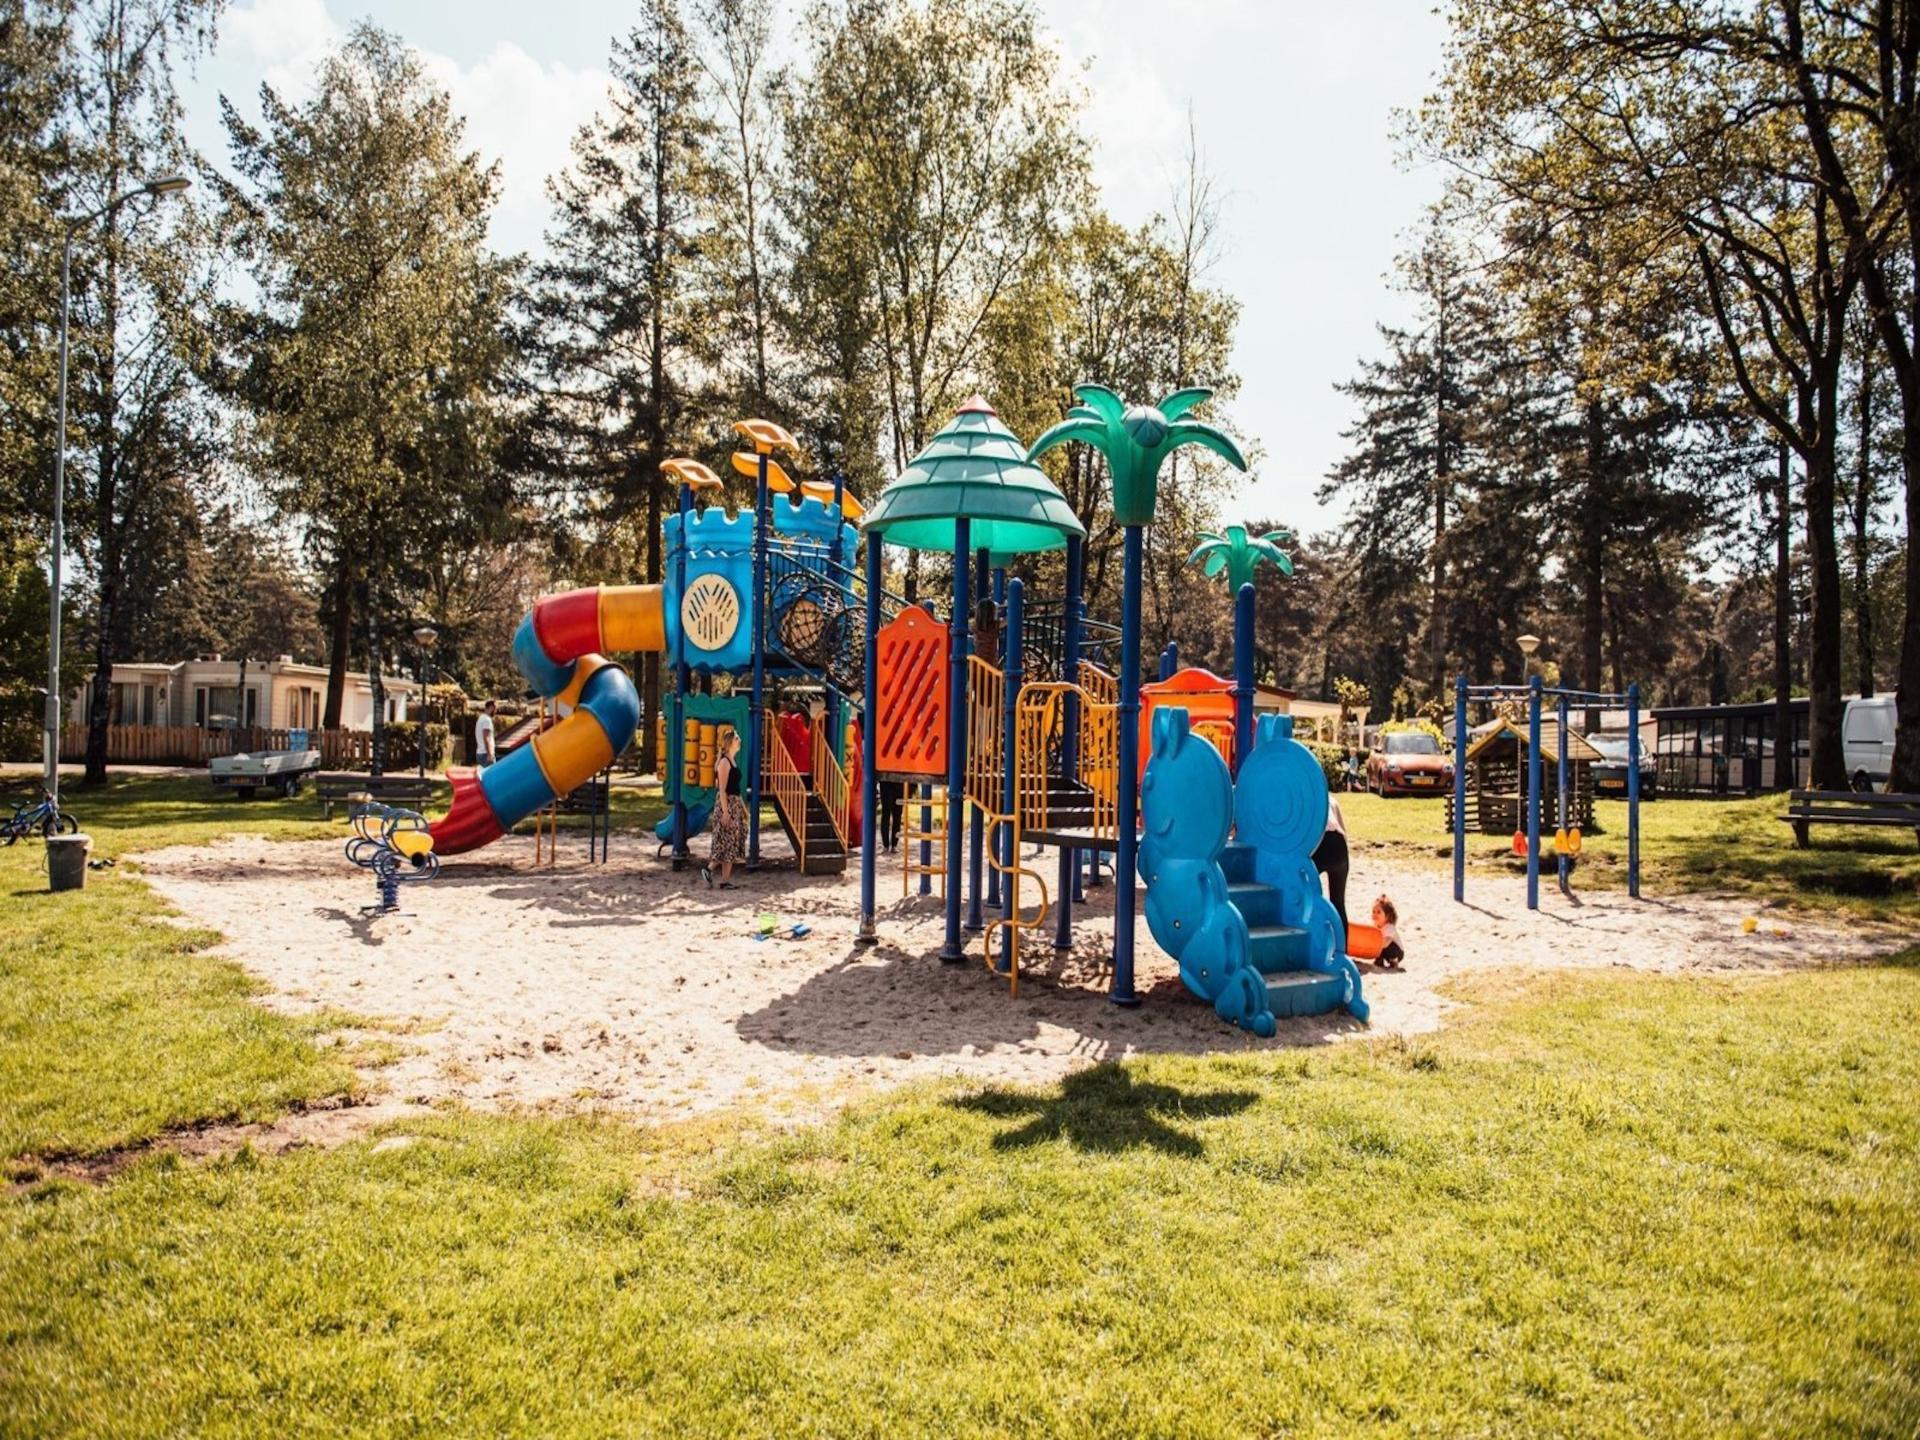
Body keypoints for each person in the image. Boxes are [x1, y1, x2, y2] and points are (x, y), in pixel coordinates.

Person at [702, 727, 747, 888]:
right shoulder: (724, 763)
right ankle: (708, 869)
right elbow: (722, 789)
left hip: (734, 804)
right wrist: (726, 811)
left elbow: (736, 789)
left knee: (731, 842)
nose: (739, 741)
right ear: (729, 743)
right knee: (725, 841)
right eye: (736, 739)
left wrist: (742, 808)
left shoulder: (733, 761)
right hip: (725, 804)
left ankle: (725, 880)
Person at [1312, 793, 1349, 933]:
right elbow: (1343, 830)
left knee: (1309, 896)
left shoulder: (1306, 796)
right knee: (1338, 903)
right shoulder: (1331, 799)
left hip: (1321, 843)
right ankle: (1343, 945)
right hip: (1339, 845)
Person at [1373, 894, 1404, 968]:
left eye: (1378, 912)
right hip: (1384, 948)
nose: (1375, 914)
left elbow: (1386, 942)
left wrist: (1375, 946)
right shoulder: (1377, 926)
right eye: (1373, 912)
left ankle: (1394, 961)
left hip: (1397, 951)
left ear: (1387, 916)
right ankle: (1379, 961)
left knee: (1386, 945)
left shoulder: (1389, 927)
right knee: (1377, 942)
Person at [878, 777, 904, 852]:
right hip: (887, 782)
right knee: (887, 814)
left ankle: (893, 845)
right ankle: (886, 845)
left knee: (896, 816)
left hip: (897, 783)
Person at [473, 700, 497, 769]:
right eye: (495, 709)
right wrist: (489, 754)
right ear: (491, 707)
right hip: (485, 754)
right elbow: (486, 737)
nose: (495, 711)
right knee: (493, 774)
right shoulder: (487, 720)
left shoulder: (481, 718)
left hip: (480, 753)